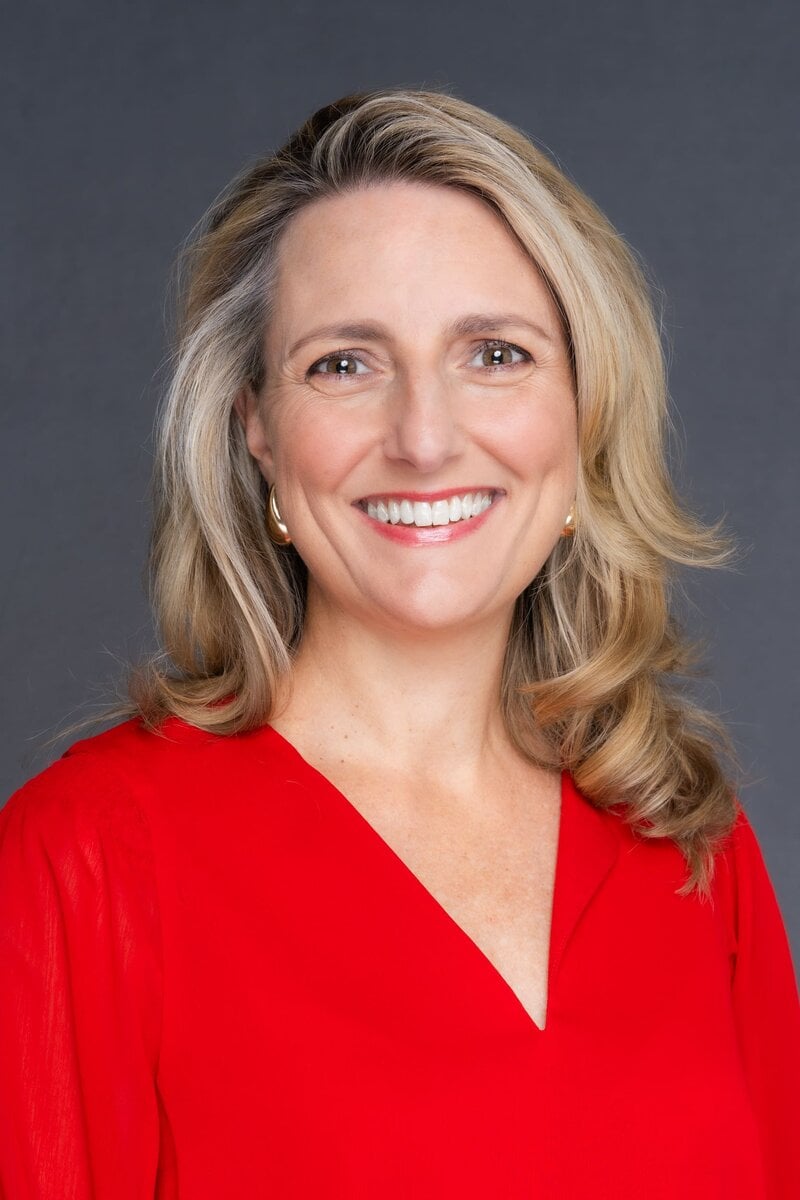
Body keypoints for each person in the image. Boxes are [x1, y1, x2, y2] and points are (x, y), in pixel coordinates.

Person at [1, 87, 798, 1199]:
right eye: (344, 363)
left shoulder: (684, 843)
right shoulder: (84, 864)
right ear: (255, 430)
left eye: (495, 354)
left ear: (583, 406)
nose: (424, 438)